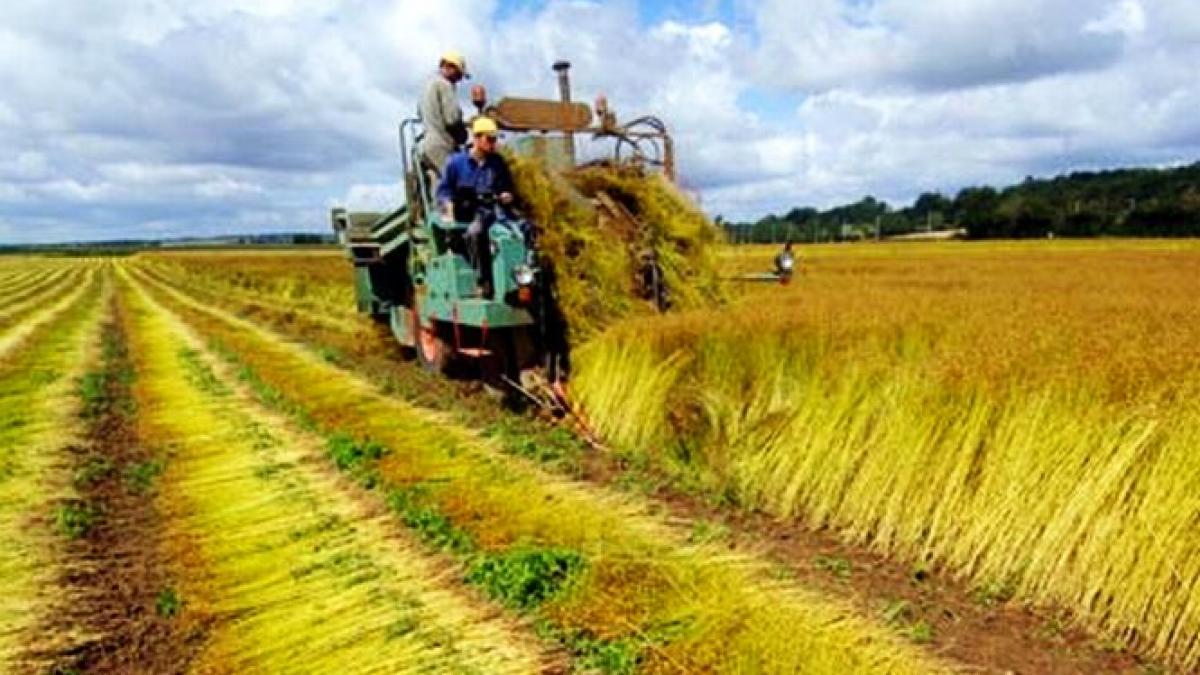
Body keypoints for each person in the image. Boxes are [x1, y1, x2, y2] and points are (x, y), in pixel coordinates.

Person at [436, 116, 515, 297]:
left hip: (495, 211)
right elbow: (443, 191)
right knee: (475, 232)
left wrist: (507, 195)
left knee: (524, 229)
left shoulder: (498, 163)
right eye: (489, 139)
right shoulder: (456, 163)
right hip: (468, 213)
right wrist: (448, 209)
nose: (493, 143)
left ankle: (522, 279)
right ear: (477, 138)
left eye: (495, 139)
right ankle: (483, 280)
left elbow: (507, 187)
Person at [418, 51, 470, 179]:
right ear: (450, 67)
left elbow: (420, 114)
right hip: (441, 145)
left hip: (426, 147)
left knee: (440, 190)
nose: (459, 80)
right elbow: (452, 119)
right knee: (461, 186)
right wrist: (464, 135)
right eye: (459, 75)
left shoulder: (426, 87)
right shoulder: (445, 85)